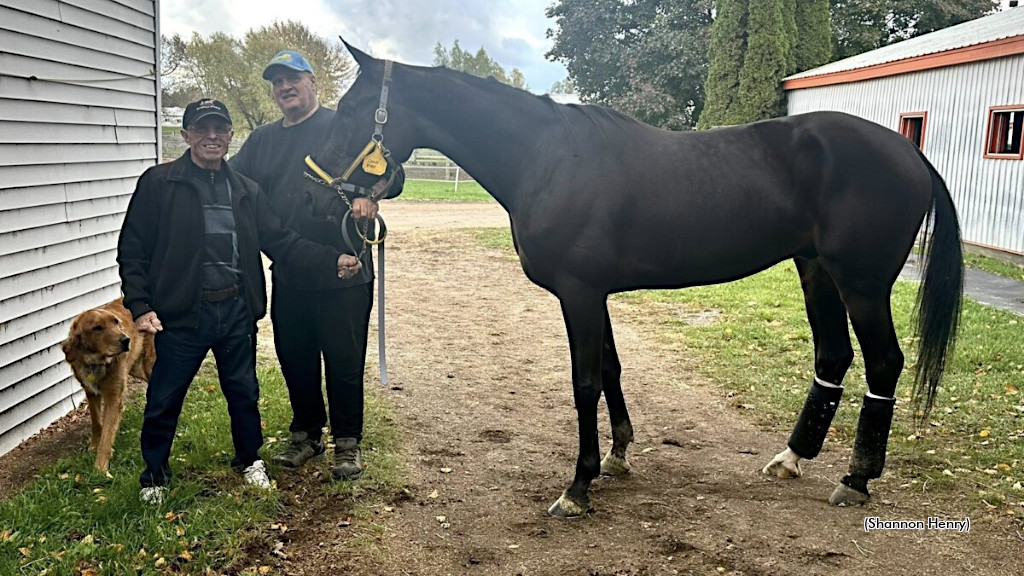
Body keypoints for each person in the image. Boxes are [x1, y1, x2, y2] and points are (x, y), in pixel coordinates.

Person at [118, 98, 362, 504]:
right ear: (187, 135)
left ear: (231, 136)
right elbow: (133, 248)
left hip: (234, 311)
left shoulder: (246, 190)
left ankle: (249, 460)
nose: (211, 136)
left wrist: (330, 259)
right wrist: (140, 306)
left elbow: (281, 240)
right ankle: (155, 477)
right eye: (202, 129)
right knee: (163, 398)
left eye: (220, 129)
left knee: (244, 393)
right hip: (182, 315)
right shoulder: (159, 183)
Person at [231, 50, 403, 480]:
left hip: (346, 268)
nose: (285, 87)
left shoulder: (341, 126)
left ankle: (347, 442)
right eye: (277, 82)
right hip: (290, 268)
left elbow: (394, 173)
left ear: (312, 82)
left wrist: (372, 194)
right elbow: (231, 181)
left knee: (344, 361)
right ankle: (307, 435)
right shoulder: (262, 141)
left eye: (293, 78)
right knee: (296, 357)